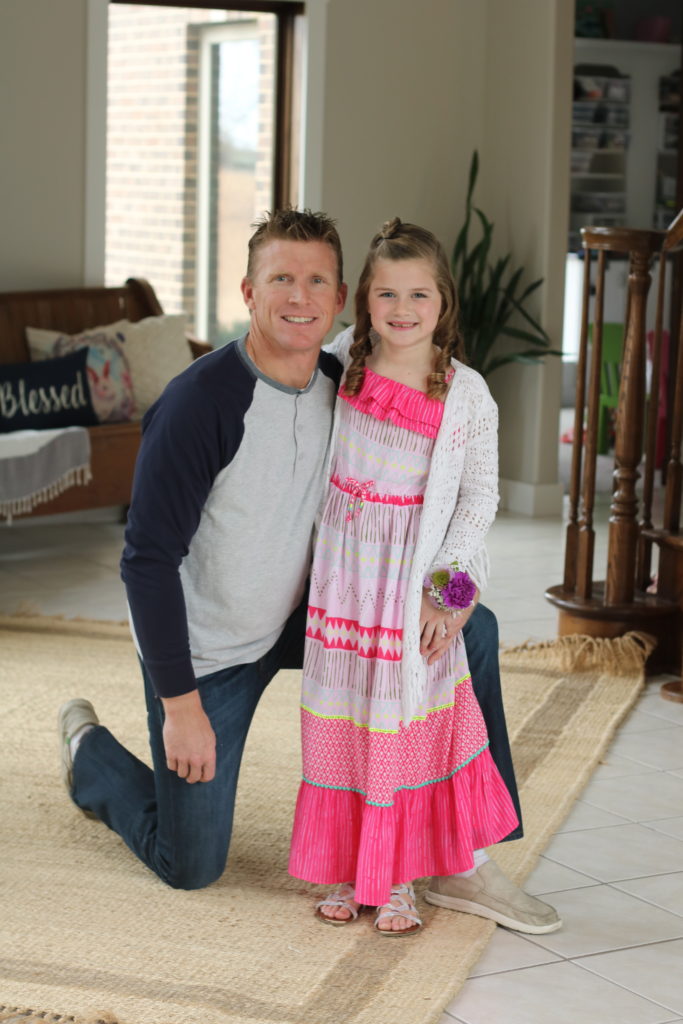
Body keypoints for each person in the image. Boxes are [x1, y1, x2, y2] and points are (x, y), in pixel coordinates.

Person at [57, 207, 559, 935]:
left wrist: (449, 593)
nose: (300, 297)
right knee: (189, 863)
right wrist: (180, 706)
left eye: (317, 280)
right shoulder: (200, 403)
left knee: (470, 629)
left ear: (340, 297)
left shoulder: (344, 373)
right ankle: (89, 755)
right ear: (248, 292)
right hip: (212, 651)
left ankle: (465, 855)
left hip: (314, 613)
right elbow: (145, 563)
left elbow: (470, 496)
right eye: (281, 280)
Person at [288, 218, 561, 936]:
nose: (402, 310)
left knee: (403, 725)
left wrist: (449, 596)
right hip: (342, 581)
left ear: (443, 302)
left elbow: (478, 501)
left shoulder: (466, 393)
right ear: (363, 301)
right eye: (386, 294)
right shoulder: (343, 360)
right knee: (341, 720)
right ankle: (349, 866)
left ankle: (402, 876)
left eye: (418, 295)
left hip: (408, 585)